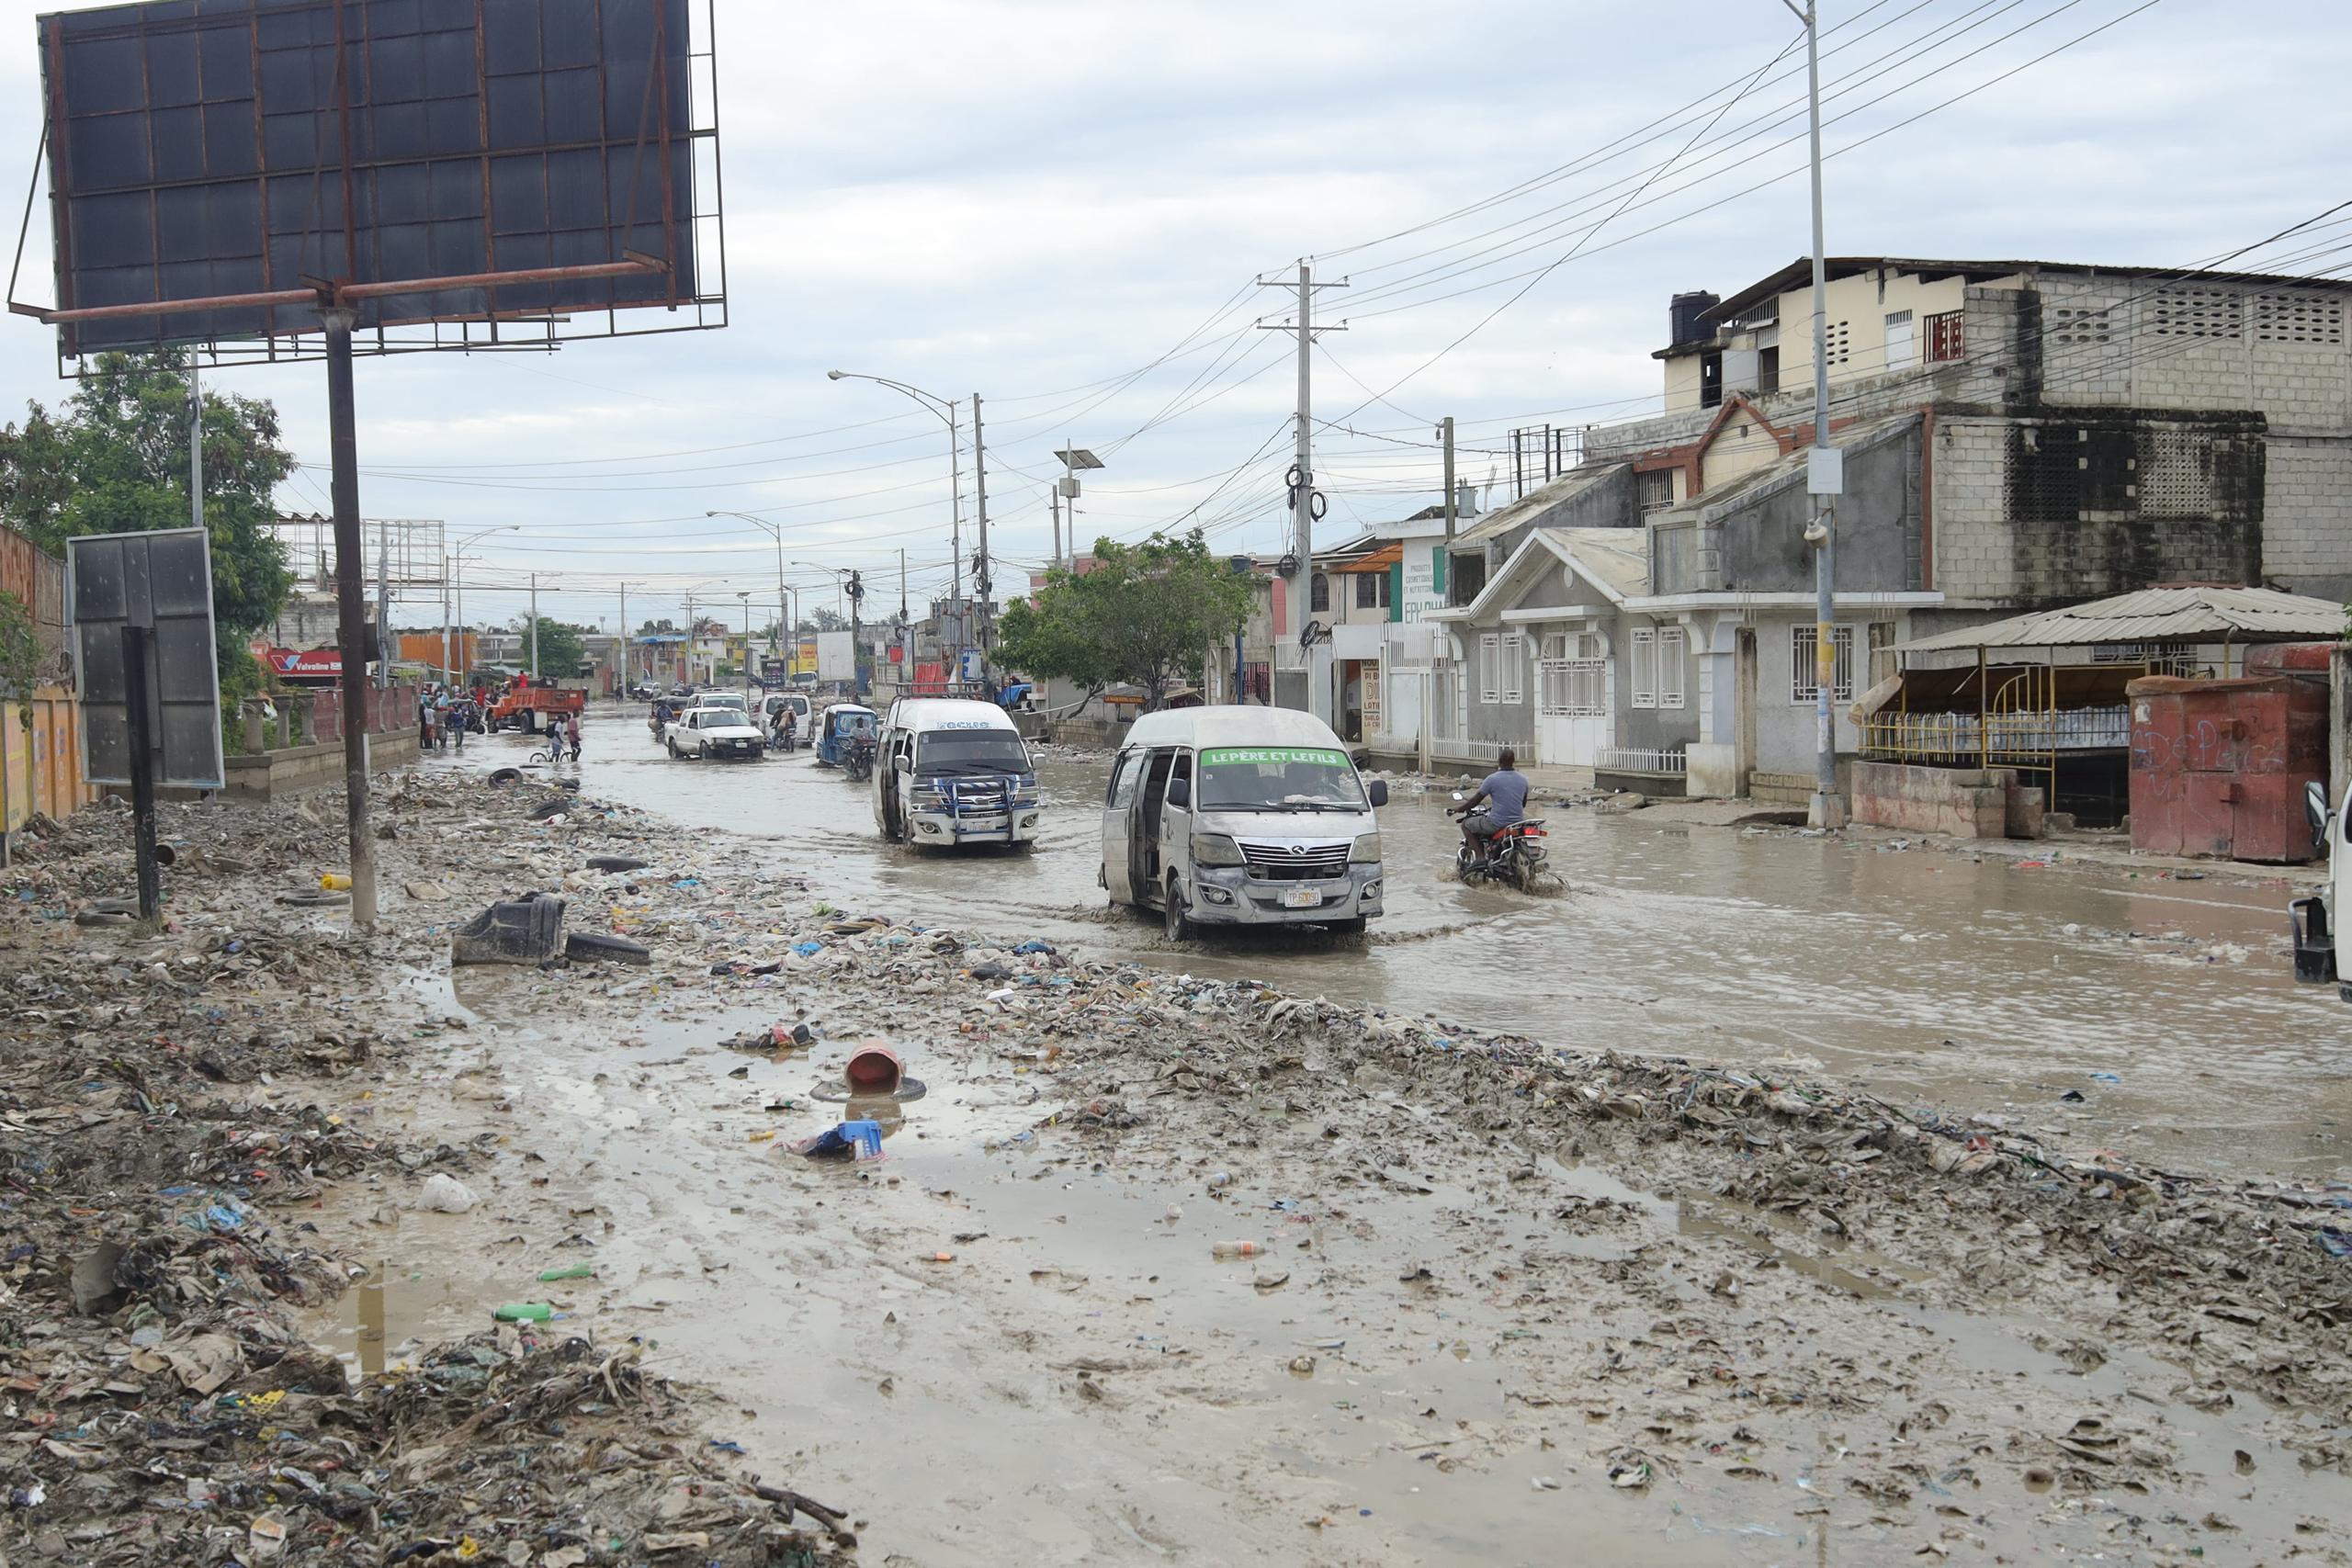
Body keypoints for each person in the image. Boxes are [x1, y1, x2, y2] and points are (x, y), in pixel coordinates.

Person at [1453, 747, 1531, 867]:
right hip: (1518, 823)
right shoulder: (1523, 780)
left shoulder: (1492, 779)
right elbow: (1523, 804)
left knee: (1466, 825)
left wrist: (1460, 808)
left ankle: (1480, 857)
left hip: (1497, 823)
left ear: (1499, 761)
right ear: (1513, 761)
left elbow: (1475, 801)